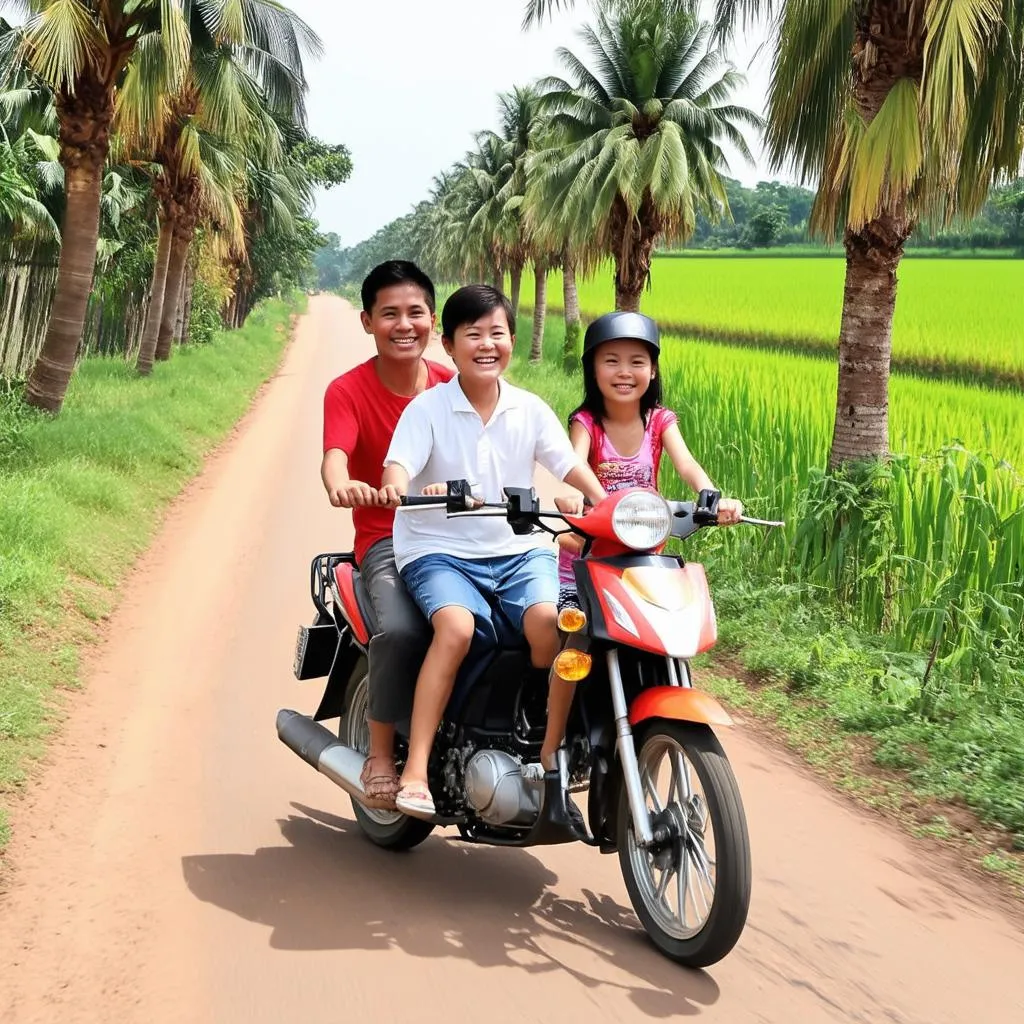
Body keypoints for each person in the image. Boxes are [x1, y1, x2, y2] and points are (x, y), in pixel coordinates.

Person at [378, 284, 607, 819]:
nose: (487, 344)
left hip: (518, 550)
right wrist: (399, 486)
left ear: (510, 339)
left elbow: (569, 466)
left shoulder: (529, 409)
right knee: (455, 628)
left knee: (553, 624)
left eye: (497, 333)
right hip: (438, 549)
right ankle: (415, 772)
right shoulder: (427, 410)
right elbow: (399, 467)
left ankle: (544, 753)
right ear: (449, 344)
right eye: (472, 334)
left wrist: (609, 503)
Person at [539, 310, 744, 773]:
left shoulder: (659, 421)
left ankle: (645, 729)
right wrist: (574, 495)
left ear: (652, 371)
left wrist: (711, 496)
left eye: (637, 361)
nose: (624, 372)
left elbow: (687, 464)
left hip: (640, 559)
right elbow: (576, 464)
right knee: (574, 645)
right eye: (611, 361)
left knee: (659, 639)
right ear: (593, 369)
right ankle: (552, 746)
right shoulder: (586, 421)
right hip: (588, 557)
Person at [321, 260, 454, 810]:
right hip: (388, 540)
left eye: (416, 312)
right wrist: (344, 485)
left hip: (464, 539)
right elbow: (335, 457)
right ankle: (379, 752)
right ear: (367, 322)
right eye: (390, 314)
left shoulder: (456, 383)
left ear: (431, 319)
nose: (404, 325)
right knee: (400, 630)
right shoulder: (347, 390)